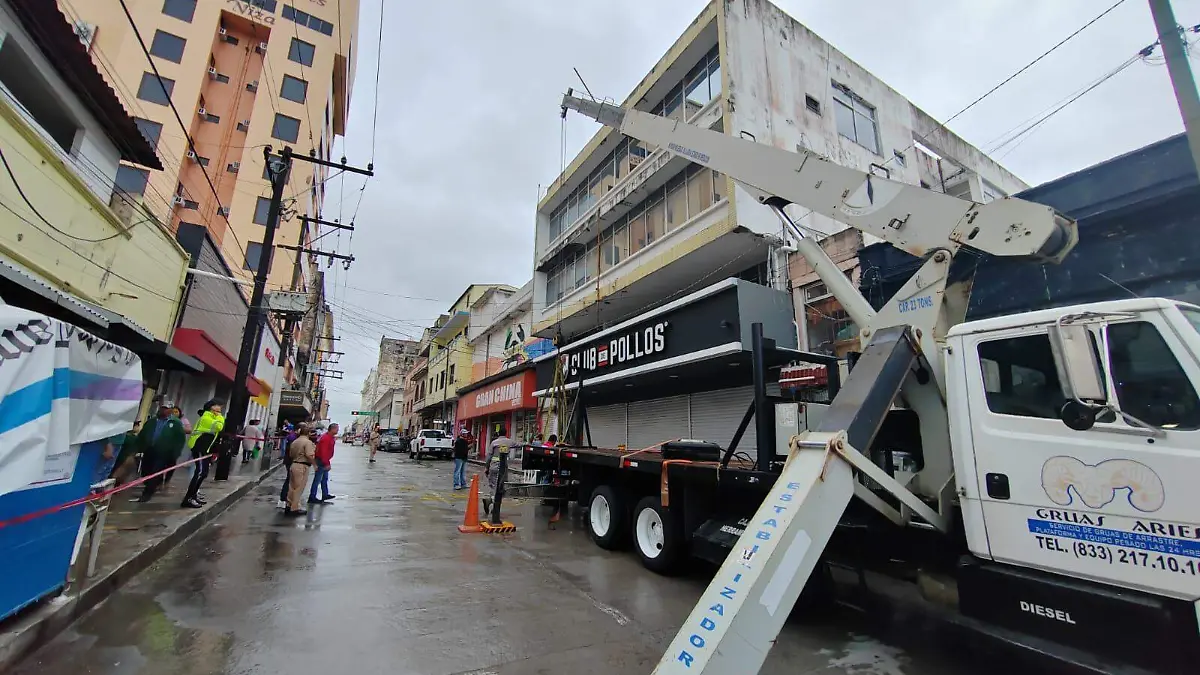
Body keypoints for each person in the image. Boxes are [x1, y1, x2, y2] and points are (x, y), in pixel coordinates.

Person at [133, 403, 187, 502]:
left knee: (155, 472)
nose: (163, 411)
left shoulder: (175, 423)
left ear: (170, 410)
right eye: (162, 408)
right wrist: (138, 447)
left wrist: (175, 453)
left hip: (164, 453)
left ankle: (147, 493)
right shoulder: (152, 421)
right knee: (146, 471)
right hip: (149, 450)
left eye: (166, 409)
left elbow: (180, 439)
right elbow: (143, 434)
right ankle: (151, 485)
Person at [181, 399, 225, 509]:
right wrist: (220, 416)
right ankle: (188, 498)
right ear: (211, 407)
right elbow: (219, 427)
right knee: (200, 472)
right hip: (199, 446)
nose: (220, 408)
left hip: (205, 448)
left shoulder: (211, 417)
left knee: (203, 473)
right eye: (218, 406)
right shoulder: (206, 417)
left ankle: (194, 495)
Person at [482, 425, 514, 516]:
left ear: (498, 434)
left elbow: (488, 457)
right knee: (501, 488)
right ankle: (493, 504)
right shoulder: (509, 442)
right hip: (503, 468)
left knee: (493, 486)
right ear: (506, 433)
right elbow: (520, 445)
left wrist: (486, 467)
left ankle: (492, 503)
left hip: (493, 467)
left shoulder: (494, 443)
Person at [286, 424, 315, 516]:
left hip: (294, 464)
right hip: (302, 465)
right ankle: (294, 508)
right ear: (308, 433)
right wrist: (314, 464)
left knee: (292, 487)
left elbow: (291, 454)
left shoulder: (295, 441)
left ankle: (289, 504)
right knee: (299, 488)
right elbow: (309, 454)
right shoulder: (307, 442)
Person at [161, 407, 192, 490]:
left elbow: (189, 430)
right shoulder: (167, 420)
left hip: (176, 446)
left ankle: (167, 481)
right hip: (164, 445)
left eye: (176, 412)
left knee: (171, 464)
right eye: (173, 412)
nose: (174, 413)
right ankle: (159, 482)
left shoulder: (183, 421)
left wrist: (178, 428)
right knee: (161, 464)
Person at [310, 422, 338, 504]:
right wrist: (327, 463)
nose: (337, 430)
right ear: (332, 429)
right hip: (321, 460)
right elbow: (323, 452)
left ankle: (325, 494)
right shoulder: (326, 438)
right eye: (336, 428)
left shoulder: (329, 437)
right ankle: (312, 496)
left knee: (324, 479)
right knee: (318, 479)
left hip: (323, 460)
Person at [110, 421, 142, 485]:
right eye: (136, 425)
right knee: (119, 473)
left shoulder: (126, 437)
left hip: (121, 457)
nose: (138, 427)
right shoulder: (132, 438)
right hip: (124, 457)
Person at [277, 422, 299, 508]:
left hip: (289, 460)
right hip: (291, 461)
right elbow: (292, 451)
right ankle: (284, 499)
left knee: (290, 479)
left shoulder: (293, 436)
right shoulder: (293, 437)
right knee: (290, 480)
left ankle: (285, 499)